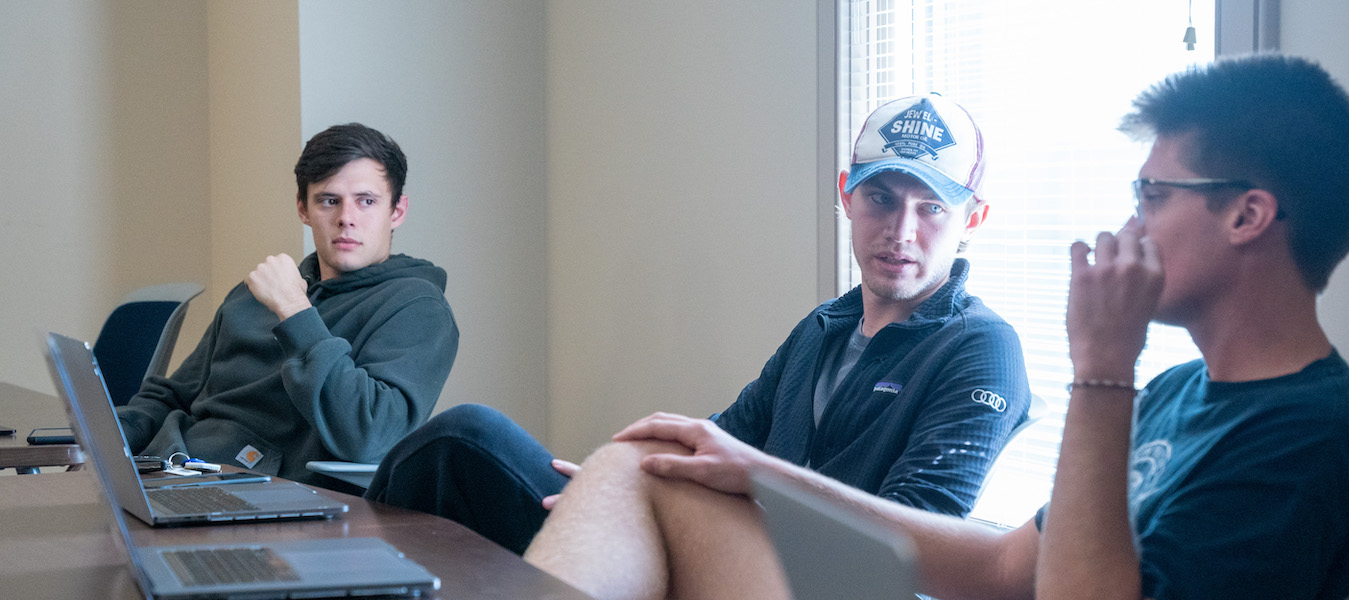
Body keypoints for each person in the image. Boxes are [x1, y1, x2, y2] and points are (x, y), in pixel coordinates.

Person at [522, 54, 1349, 600]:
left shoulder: (1307, 444)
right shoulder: (1187, 393)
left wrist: (1103, 368)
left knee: (640, 475)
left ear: (1247, 215)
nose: (1133, 221)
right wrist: (749, 467)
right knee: (647, 462)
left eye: (1153, 193)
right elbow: (1002, 572)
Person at [364, 93, 1031, 554]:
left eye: (931, 209)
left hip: (773, 577)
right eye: (882, 199)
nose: (902, 231)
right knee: (454, 452)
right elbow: (717, 444)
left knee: (467, 437)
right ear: (847, 196)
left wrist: (713, 499)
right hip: (708, 548)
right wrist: (615, 488)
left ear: (972, 220)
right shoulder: (824, 328)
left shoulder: (981, 347)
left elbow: (913, 536)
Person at [117, 123, 461, 490]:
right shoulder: (258, 293)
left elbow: (369, 436)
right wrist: (102, 440)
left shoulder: (417, 308)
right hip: (169, 469)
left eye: (367, 201)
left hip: (264, 497)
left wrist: (295, 311)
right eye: (329, 200)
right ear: (303, 208)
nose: (347, 217)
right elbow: (173, 395)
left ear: (397, 211)